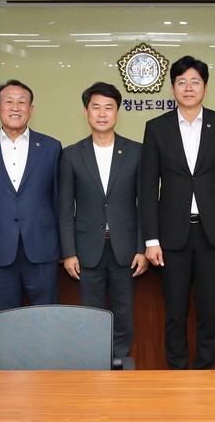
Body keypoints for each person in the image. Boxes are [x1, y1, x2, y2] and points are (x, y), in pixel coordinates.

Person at [140, 55, 215, 370]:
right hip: (172, 236)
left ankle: (204, 372)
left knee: (209, 310)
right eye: (182, 82)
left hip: (213, 235)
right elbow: (148, 187)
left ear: (205, 88)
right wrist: (151, 240)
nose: (188, 87)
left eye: (195, 81)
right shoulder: (156, 128)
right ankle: (177, 372)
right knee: (174, 312)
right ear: (172, 88)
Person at [58, 82, 148, 358]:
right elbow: (64, 208)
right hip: (87, 250)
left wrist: (142, 248)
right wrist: (68, 252)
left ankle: (119, 365)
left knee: (123, 315)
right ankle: (94, 366)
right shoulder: (71, 154)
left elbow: (145, 205)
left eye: (109, 107)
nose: (102, 113)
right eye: (95, 107)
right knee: (91, 315)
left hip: (126, 249)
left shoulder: (136, 151)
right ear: (86, 112)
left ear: (117, 112)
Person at [0, 79, 61, 312]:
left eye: (22, 102)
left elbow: (60, 201)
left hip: (43, 247)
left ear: (31, 109)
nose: (15, 107)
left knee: (46, 317)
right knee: (7, 318)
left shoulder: (51, 147)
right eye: (9, 102)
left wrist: (65, 248)